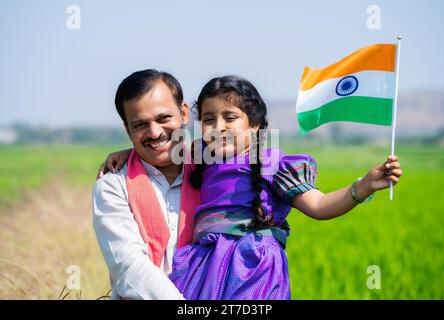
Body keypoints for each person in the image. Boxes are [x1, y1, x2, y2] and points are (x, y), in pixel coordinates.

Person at [100, 75, 403, 300]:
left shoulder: (272, 164)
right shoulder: (202, 158)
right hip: (206, 263)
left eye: (230, 117)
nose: (218, 127)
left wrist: (362, 187)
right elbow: (164, 146)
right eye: (208, 119)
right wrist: (130, 155)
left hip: (253, 265)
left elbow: (320, 206)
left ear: (255, 124)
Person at [92, 69, 200, 300]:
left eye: (163, 119)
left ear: (183, 113)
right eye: (140, 125)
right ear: (128, 130)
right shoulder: (113, 186)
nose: (155, 132)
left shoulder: (211, 172)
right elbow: (128, 266)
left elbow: (254, 149)